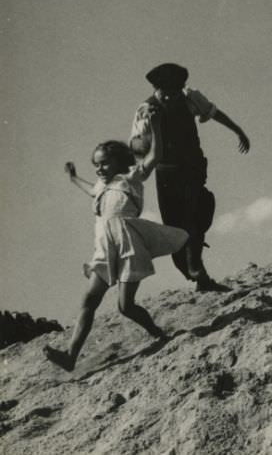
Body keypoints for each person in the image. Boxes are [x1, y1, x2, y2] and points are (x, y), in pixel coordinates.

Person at [44, 117, 188, 372]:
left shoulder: (131, 177)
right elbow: (90, 189)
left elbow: (154, 156)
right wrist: (74, 177)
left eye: (104, 163)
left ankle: (157, 332)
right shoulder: (100, 186)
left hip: (128, 243)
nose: (99, 169)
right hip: (104, 249)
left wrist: (155, 128)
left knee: (126, 306)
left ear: (120, 162)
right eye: (96, 165)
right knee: (89, 300)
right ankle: (70, 356)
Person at [130, 62, 250, 293]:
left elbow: (213, 113)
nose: (170, 98)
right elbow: (136, 145)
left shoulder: (189, 97)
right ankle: (194, 272)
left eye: (174, 92)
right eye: (165, 93)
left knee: (200, 211)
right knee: (175, 225)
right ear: (157, 89)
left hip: (193, 166)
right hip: (166, 172)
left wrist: (238, 130)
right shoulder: (145, 110)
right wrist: (140, 163)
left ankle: (197, 269)